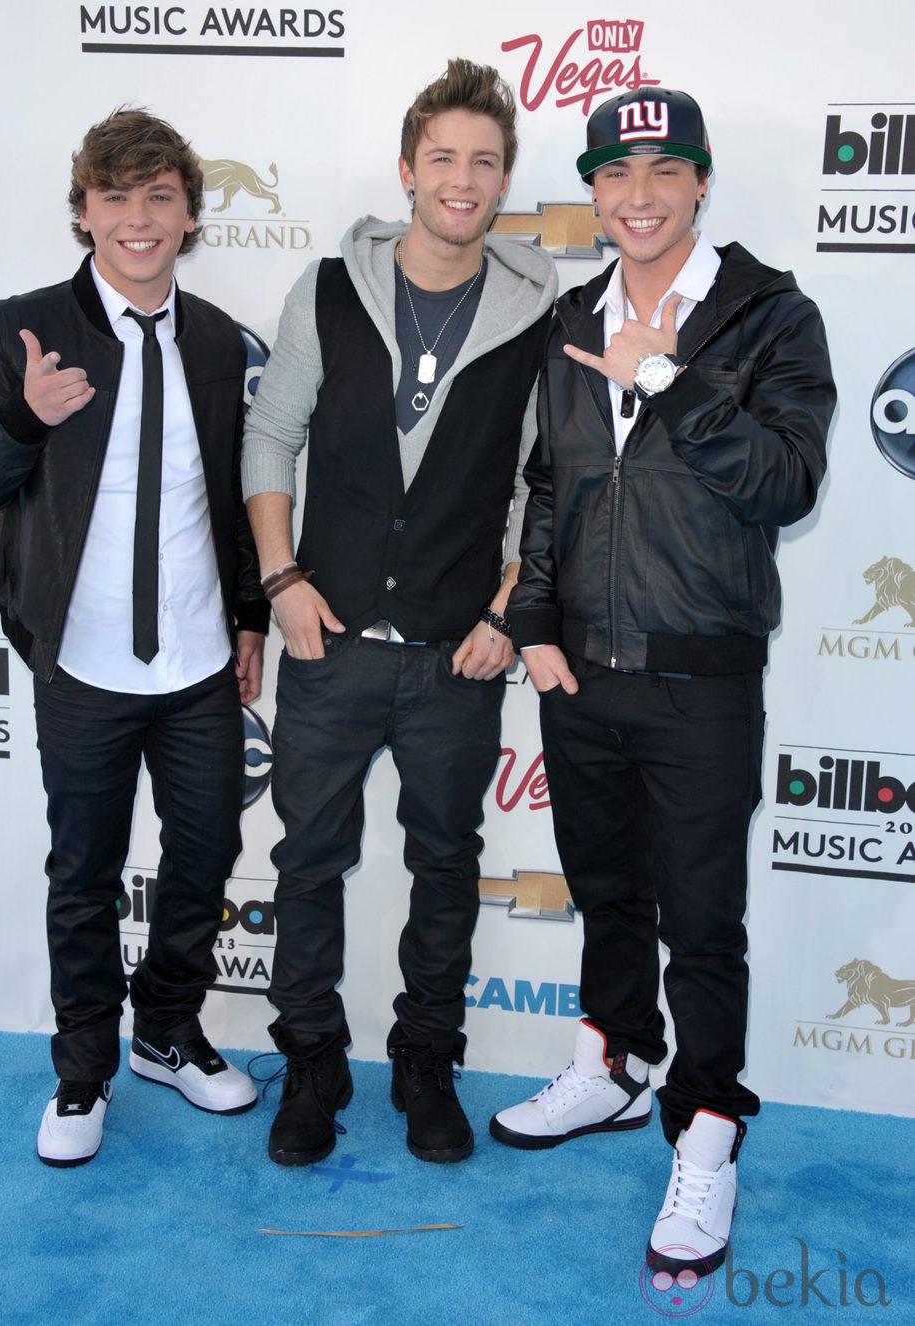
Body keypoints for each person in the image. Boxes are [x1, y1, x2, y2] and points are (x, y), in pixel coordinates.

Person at [491, 88, 835, 1275]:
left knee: (699, 920)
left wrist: (670, 381)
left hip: (701, 676)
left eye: (662, 171)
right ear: (591, 192)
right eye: (614, 174)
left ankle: (705, 1128)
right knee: (605, 894)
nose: (636, 196)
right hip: (580, 675)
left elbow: (786, 482)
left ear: (698, 184)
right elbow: (551, 489)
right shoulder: (569, 318)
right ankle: (613, 1064)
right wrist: (533, 618)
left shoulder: (767, 317)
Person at [241, 58, 557, 1167]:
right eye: (443, 159)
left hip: (451, 661)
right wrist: (281, 583)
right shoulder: (329, 288)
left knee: (444, 864)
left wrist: (509, 614)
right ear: (407, 170)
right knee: (307, 862)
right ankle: (313, 1061)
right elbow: (270, 434)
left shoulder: (540, 314)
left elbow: (542, 486)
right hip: (326, 645)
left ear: (504, 177)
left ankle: (427, 1061)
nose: (461, 179)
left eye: (483, 161)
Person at [0, 108, 268, 1167]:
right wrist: (25, 418)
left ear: (187, 214)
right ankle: (82, 1073)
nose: (139, 219)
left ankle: (167, 1033)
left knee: (208, 851)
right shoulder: (21, 325)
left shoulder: (219, 341)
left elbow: (233, 497)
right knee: (83, 869)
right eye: (116, 198)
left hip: (195, 660)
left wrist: (252, 615)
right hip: (79, 661)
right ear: (83, 212)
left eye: (160, 197)